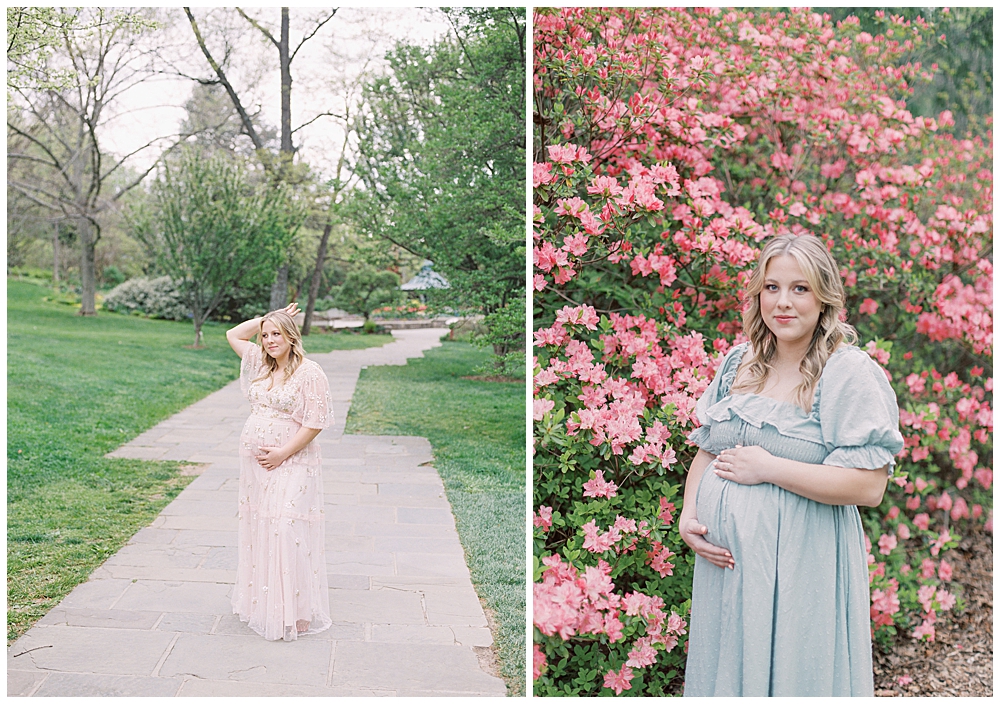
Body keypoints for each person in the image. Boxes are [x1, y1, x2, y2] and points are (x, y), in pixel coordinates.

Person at [679, 234, 904, 696]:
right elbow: (708, 446)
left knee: (795, 675)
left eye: (799, 288)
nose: (783, 302)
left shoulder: (846, 372)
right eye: (771, 287)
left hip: (802, 561)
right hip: (729, 568)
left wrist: (770, 468)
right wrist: (689, 515)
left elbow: (868, 487)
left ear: (824, 297)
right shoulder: (739, 362)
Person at [226, 302, 334, 642]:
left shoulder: (309, 372)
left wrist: (283, 453)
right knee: (264, 527)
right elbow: (232, 334)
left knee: (287, 526)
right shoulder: (258, 362)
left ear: (291, 336)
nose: (270, 340)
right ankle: (268, 605)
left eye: (277, 333)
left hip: (293, 459)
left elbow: (316, 422)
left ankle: (297, 611)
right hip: (256, 464)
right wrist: (265, 318)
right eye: (266, 335)